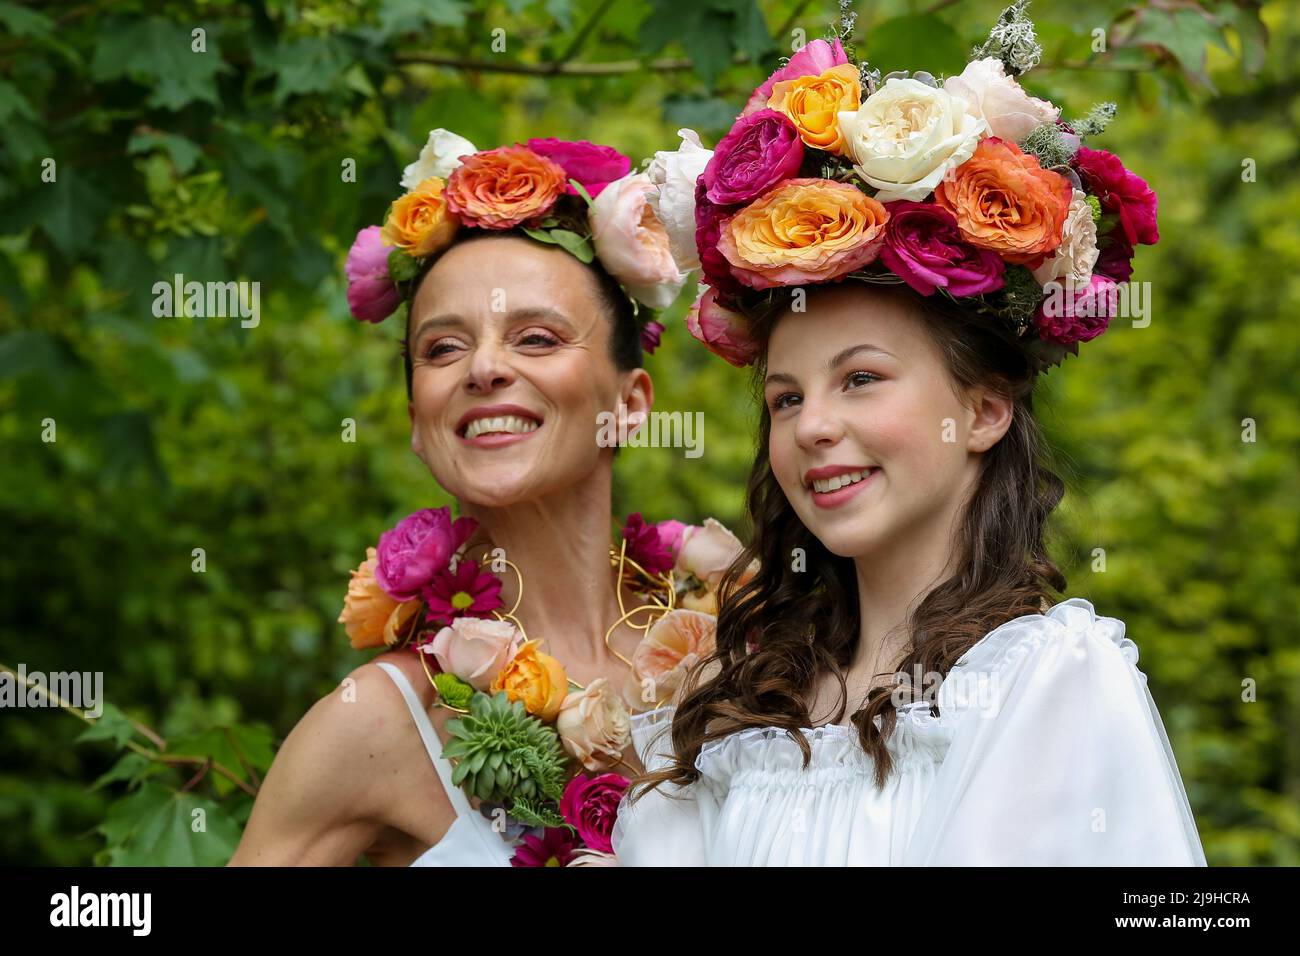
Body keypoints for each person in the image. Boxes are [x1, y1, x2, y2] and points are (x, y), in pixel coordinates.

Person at [611, 9, 1208, 866]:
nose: (813, 425)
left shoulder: (1048, 681)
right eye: (785, 398)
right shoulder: (739, 712)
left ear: (984, 411)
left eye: (860, 379)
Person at [230, 131, 737, 866]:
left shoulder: (745, 648)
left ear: (630, 403)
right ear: (416, 418)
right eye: (442, 349)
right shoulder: (377, 721)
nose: (485, 368)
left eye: (535, 338)